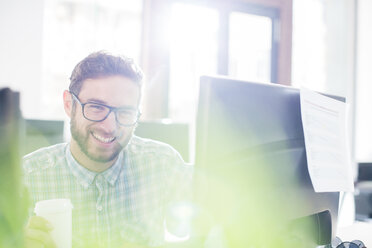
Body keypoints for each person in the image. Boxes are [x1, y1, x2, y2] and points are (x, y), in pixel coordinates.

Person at [22, 51, 192, 248]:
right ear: (69, 105)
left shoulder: (162, 163)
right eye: (96, 107)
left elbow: (213, 222)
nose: (110, 127)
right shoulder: (24, 177)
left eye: (125, 112)